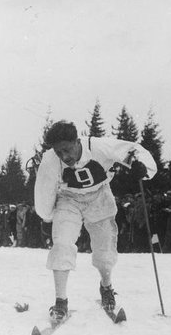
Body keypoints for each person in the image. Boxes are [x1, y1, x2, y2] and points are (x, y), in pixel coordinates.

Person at [34, 121, 156, 321]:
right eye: (59, 152)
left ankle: (106, 285)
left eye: (67, 149)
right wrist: (47, 216)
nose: (64, 157)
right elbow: (43, 189)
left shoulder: (98, 147)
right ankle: (60, 301)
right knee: (62, 244)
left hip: (99, 197)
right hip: (69, 199)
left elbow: (134, 150)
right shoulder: (50, 161)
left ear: (77, 141)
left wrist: (143, 168)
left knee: (104, 251)